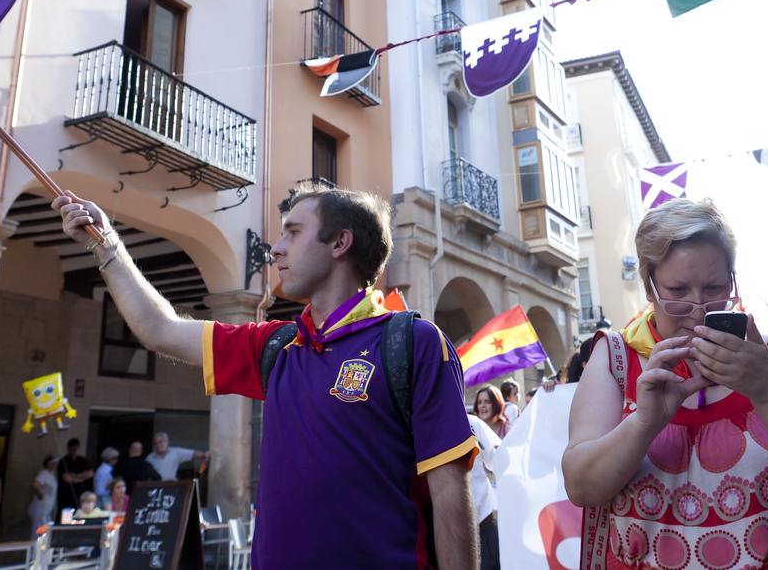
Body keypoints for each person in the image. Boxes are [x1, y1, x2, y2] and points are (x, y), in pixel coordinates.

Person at [53, 183, 478, 568]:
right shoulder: (275, 345)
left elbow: (449, 494)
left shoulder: (415, 343)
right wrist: (106, 246)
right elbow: (159, 329)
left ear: (340, 243)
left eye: (293, 232)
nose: (275, 249)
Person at [563, 198, 768, 569]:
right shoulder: (616, 359)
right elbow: (582, 489)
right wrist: (645, 423)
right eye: (678, 291)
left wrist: (766, 389)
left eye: (715, 288)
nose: (699, 309)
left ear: (732, 280)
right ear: (650, 288)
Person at [467, 415, 501, 570]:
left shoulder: (472, 423)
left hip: (484, 526)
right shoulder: (418, 426)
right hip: (443, 537)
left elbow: (499, 461)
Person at [55, 438, 93, 517]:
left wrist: (76, 476)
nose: (73, 451)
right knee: (65, 515)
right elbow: (66, 478)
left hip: (80, 493)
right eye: (71, 449)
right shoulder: (63, 461)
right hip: (66, 495)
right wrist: (82, 477)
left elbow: (90, 473)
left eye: (75, 449)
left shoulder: (82, 460)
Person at [28, 455, 59, 531]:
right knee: (39, 532)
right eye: (53, 463)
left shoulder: (51, 475)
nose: (55, 465)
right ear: (49, 464)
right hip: (41, 509)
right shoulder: (43, 474)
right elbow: (34, 484)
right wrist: (40, 495)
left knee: (45, 531)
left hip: (47, 510)